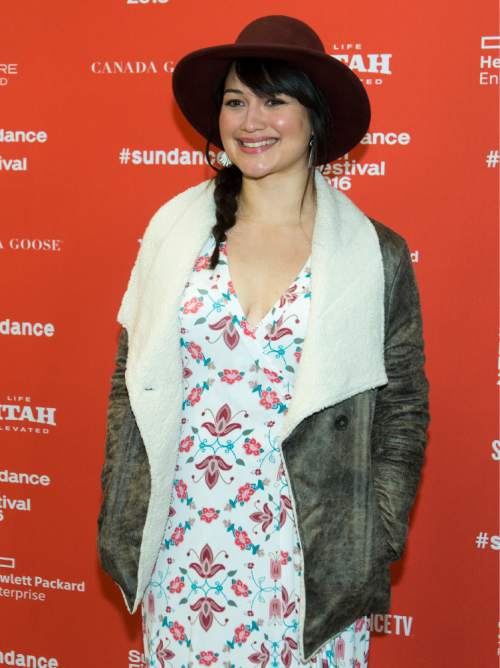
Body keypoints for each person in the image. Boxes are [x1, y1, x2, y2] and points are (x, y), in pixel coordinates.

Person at [97, 14, 430, 668]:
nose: (252, 120)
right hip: (188, 550)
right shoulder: (174, 232)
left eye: (275, 100)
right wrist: (125, 503)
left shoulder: (373, 254)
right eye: (235, 100)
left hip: (309, 559)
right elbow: (128, 384)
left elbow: (403, 412)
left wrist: (373, 536)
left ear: (314, 117)